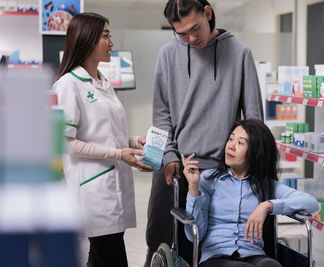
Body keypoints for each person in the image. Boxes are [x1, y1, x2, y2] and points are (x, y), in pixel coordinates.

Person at [145, 0, 264, 265]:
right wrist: (168, 156)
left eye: (194, 28)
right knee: (159, 242)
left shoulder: (240, 53)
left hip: (221, 172)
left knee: (208, 246)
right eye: (181, 33)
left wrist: (248, 166)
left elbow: (254, 120)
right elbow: (161, 115)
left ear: (207, 13)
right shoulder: (167, 54)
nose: (190, 38)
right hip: (173, 165)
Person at [52, 12, 152, 267]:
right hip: (93, 192)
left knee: (100, 258)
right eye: (106, 36)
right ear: (87, 40)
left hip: (113, 187)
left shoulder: (103, 82)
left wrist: (131, 142)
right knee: (111, 257)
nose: (112, 43)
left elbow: (105, 134)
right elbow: (66, 142)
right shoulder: (68, 85)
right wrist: (119, 154)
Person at [181, 119, 320, 266]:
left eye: (240, 143)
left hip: (254, 255)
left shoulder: (265, 185)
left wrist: (267, 205)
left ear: (256, 151)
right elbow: (193, 235)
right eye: (231, 139)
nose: (231, 146)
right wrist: (194, 186)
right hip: (216, 257)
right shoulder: (209, 179)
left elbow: (311, 203)